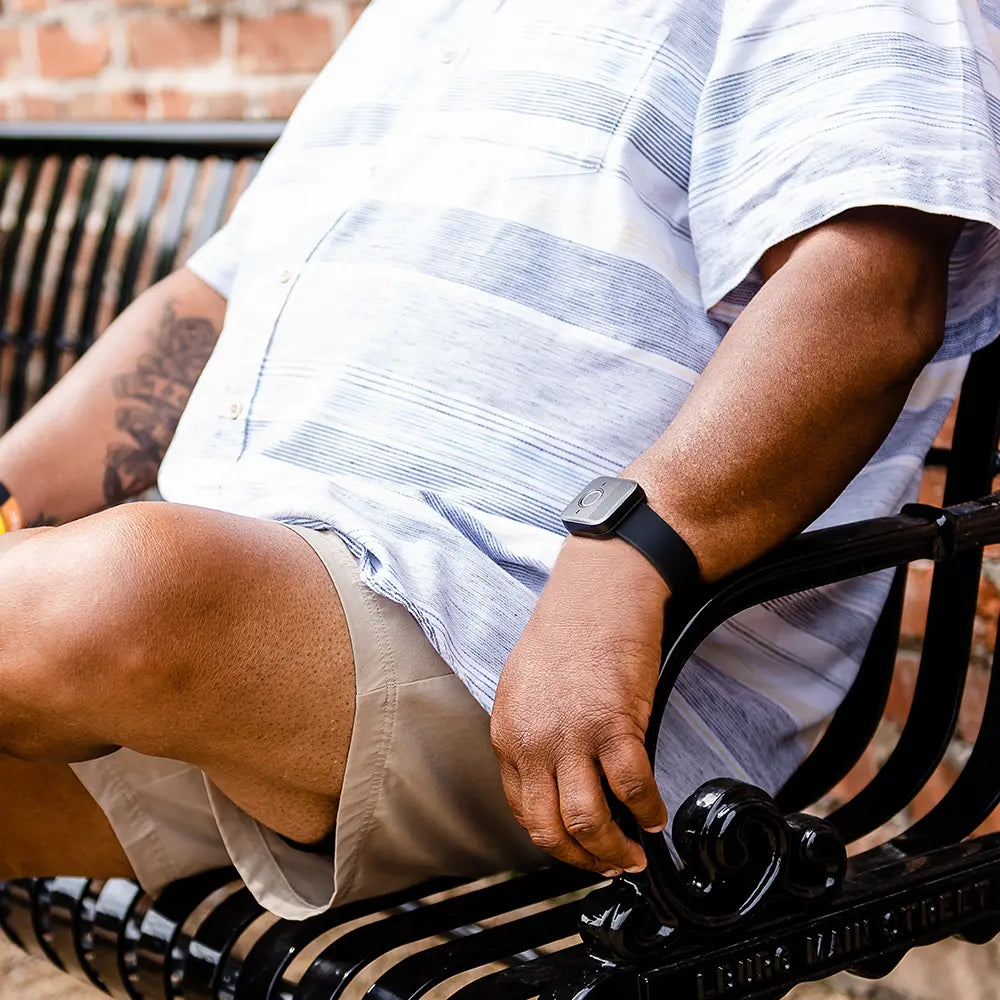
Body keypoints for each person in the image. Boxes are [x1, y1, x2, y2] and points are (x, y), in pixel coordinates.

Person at [0, 0, 998, 919]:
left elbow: (868, 292)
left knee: (112, 593)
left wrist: (628, 550)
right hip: (247, 620)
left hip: (540, 638)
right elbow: (208, 304)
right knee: (83, 616)